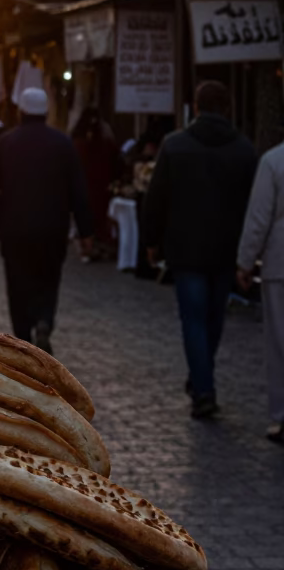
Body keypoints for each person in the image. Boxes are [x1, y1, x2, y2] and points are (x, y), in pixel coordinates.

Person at [144, 80, 256, 419]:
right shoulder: (244, 150)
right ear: (227, 108)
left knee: (193, 320)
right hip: (226, 249)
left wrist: (151, 241)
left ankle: (203, 387)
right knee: (213, 318)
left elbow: (156, 197)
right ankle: (202, 378)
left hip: (186, 248)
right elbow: (253, 204)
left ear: (196, 104)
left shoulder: (175, 145)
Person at [0, 87, 93, 352]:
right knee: (48, 279)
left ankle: (23, 337)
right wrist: (86, 231)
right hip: (53, 228)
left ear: (21, 111)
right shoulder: (63, 144)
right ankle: (44, 319)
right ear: (46, 112)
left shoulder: (5, 143)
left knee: (18, 282)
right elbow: (79, 189)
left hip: (15, 228)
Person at [236, 138, 284, 441]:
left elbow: (259, 216)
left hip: (280, 261)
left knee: (279, 341)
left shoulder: (274, 161)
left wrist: (245, 261)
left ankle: (281, 416)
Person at [71, 106, 120, 255]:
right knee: (97, 214)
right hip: (99, 184)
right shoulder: (104, 137)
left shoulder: (78, 139)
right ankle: (95, 243)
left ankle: (87, 245)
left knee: (86, 213)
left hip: (86, 183)